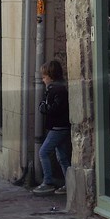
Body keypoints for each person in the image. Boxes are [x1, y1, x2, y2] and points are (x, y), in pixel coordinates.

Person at [33, 59, 71, 195]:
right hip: (58, 127)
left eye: (44, 77)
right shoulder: (55, 88)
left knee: (43, 152)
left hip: (58, 127)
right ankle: (69, 183)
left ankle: (47, 181)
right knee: (62, 157)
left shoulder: (58, 90)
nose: (43, 80)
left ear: (51, 76)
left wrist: (44, 107)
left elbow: (51, 108)